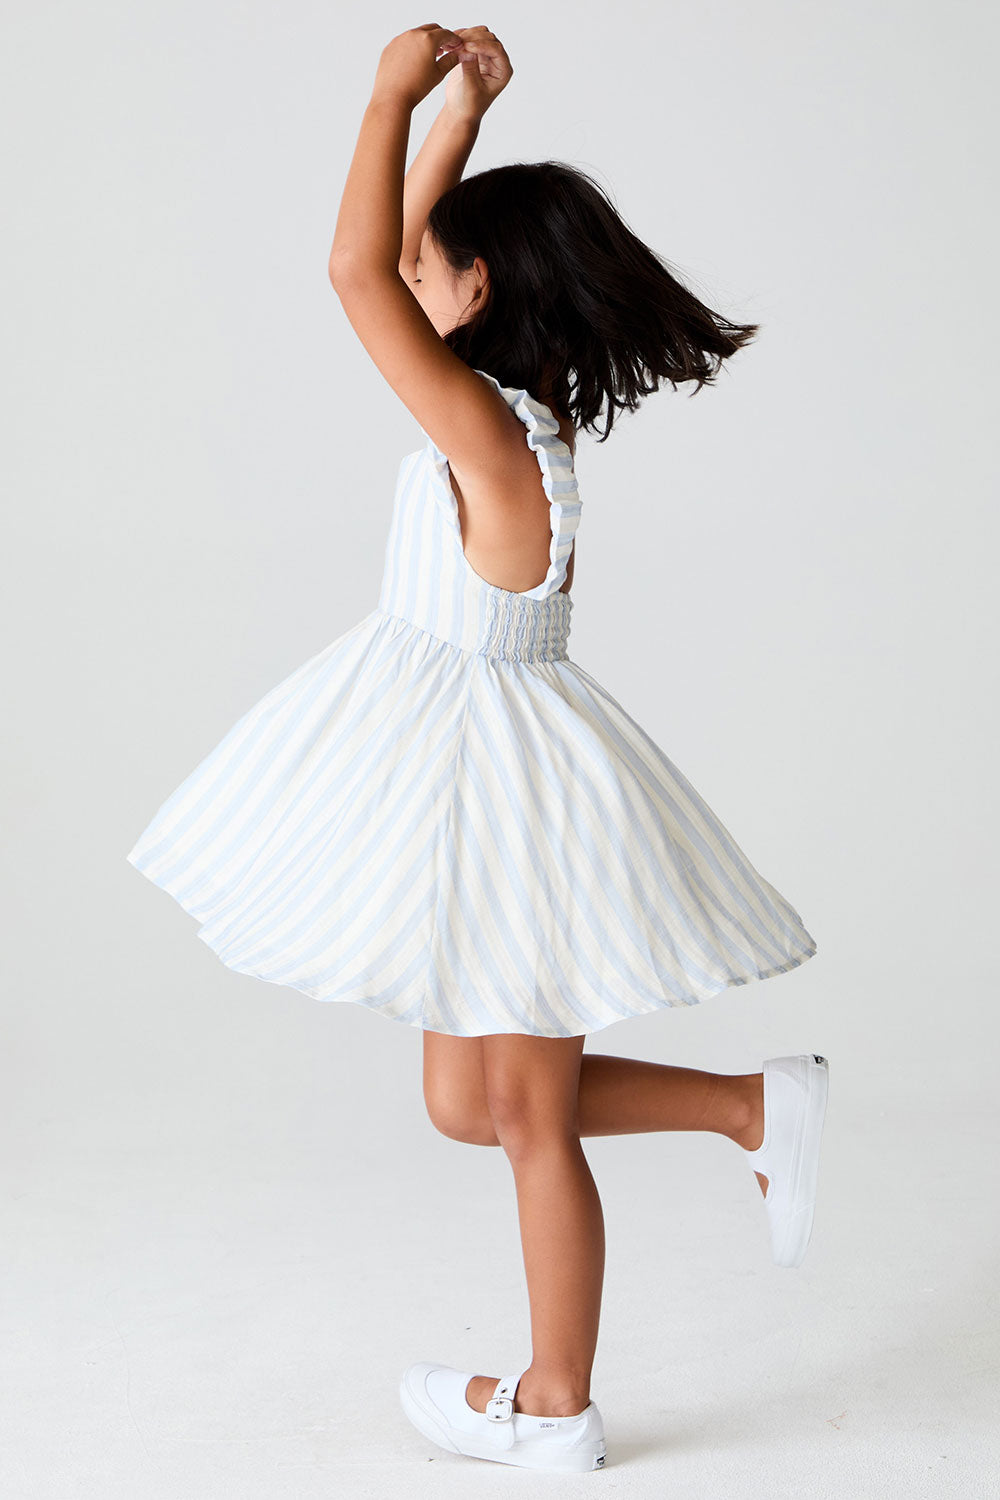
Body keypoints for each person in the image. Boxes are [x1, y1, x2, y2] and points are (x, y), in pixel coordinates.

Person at [125, 23, 828, 1476]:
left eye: (435, 268)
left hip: (508, 799)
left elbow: (354, 272)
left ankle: (558, 1403)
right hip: (473, 768)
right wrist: (463, 113)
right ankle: (752, 1107)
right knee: (471, 1103)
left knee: (528, 1121)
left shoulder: (491, 436)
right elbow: (396, 255)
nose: (410, 274)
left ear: (480, 292)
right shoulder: (514, 418)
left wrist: (389, 93)